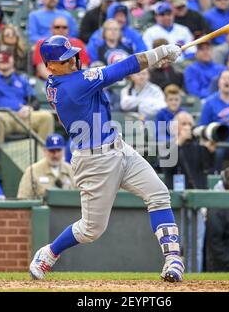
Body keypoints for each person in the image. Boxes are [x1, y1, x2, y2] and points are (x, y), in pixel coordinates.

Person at [29, 35, 185, 282]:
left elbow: (118, 71)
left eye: (72, 56)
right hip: (95, 163)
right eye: (64, 60)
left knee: (158, 194)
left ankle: (173, 259)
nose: (71, 62)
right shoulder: (73, 85)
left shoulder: (63, 80)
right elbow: (125, 67)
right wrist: (161, 51)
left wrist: (157, 58)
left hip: (119, 148)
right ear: (50, 66)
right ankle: (48, 253)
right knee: (92, 230)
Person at [0, 52, 54, 143]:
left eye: (7, 56)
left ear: (13, 60)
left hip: (21, 117)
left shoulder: (21, 78)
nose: (4, 60)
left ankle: (43, 154)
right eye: (1, 57)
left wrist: (29, 107)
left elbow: (34, 100)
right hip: (2, 117)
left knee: (46, 117)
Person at [162, 111, 215, 190]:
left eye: (190, 124)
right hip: (176, 193)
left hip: (198, 191)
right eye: (183, 124)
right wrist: (179, 141)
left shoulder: (199, 146)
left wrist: (211, 152)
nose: (187, 127)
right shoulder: (167, 145)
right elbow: (166, 167)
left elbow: (210, 168)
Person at [17, 133, 75, 199]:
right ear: (45, 151)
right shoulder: (32, 170)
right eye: (52, 151)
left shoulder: (70, 170)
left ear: (63, 150)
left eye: (58, 150)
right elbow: (22, 198)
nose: (55, 155)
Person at [34, 17, 90, 81]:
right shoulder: (43, 44)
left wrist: (72, 81)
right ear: (51, 29)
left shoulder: (78, 43)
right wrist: (58, 81)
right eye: (57, 27)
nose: (61, 29)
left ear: (68, 29)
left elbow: (84, 67)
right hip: (49, 81)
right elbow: (42, 70)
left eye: (64, 27)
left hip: (74, 80)